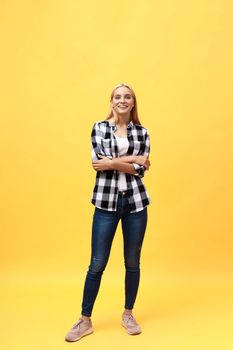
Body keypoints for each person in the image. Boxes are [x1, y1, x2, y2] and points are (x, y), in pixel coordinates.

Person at [65, 83, 151, 342]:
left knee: (132, 262)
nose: (122, 100)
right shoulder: (99, 127)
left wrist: (115, 162)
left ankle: (128, 314)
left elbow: (141, 170)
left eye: (127, 97)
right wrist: (131, 159)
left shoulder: (142, 131)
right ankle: (85, 320)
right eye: (118, 96)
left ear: (133, 103)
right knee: (97, 263)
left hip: (136, 203)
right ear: (111, 101)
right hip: (106, 203)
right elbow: (98, 163)